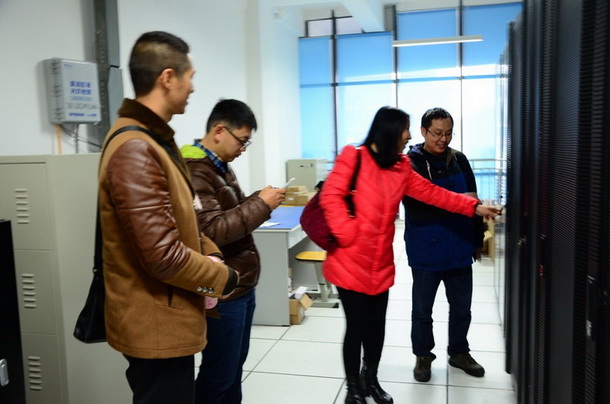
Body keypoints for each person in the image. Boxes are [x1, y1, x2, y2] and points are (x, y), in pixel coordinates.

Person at [319, 106, 499, 404]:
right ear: (389, 130)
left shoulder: (400, 166)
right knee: (356, 328)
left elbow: (434, 193)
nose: (408, 135)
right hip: (349, 262)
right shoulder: (354, 156)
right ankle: (353, 389)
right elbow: (330, 196)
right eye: (406, 128)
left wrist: (474, 207)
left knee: (377, 328)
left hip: (379, 263)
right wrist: (348, 233)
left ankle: (370, 380)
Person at [98, 31, 238, 404]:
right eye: (190, 77)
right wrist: (222, 279)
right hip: (154, 325)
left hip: (166, 316)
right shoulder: (136, 148)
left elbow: (183, 217)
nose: (193, 87)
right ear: (167, 78)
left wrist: (211, 252)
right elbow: (163, 256)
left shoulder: (155, 140)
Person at [180, 99, 286, 403]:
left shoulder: (218, 166)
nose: (243, 148)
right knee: (219, 374)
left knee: (233, 368)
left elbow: (229, 212)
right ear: (219, 131)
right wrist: (261, 204)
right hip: (223, 289)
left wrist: (258, 199)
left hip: (239, 283)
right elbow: (211, 231)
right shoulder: (196, 170)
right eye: (242, 140)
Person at [402, 107, 487, 383]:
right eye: (437, 133)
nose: (443, 139)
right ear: (423, 131)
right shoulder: (410, 165)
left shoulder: (458, 160)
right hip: (426, 247)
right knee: (422, 310)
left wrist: (477, 238)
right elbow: (419, 207)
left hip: (459, 245)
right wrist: (455, 205)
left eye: (448, 133)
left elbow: (473, 201)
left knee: (462, 308)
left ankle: (459, 352)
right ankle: (423, 356)